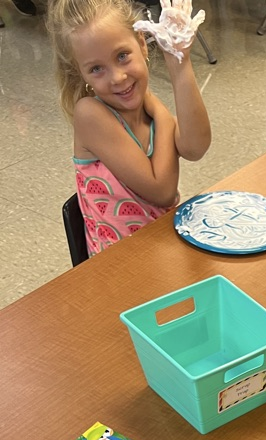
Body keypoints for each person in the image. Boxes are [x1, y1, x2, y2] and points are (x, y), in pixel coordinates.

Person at [46, 0, 211, 256]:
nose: (117, 77)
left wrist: (180, 65)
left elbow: (195, 147)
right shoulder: (90, 114)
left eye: (122, 56)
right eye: (96, 69)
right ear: (81, 74)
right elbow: (163, 192)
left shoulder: (146, 106)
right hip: (119, 267)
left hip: (163, 249)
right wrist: (163, 115)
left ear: (142, 44)